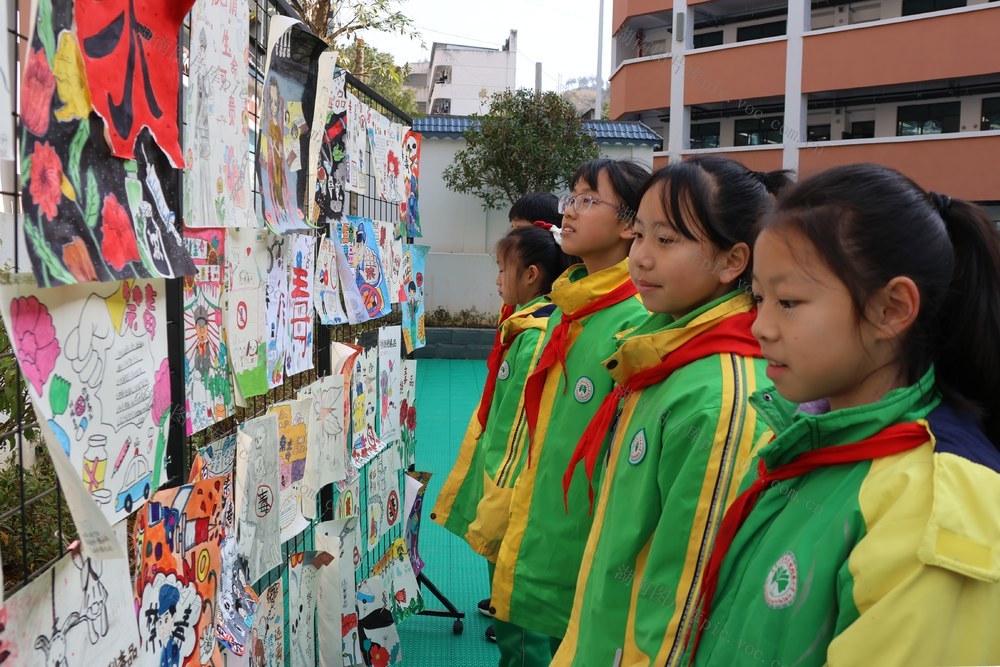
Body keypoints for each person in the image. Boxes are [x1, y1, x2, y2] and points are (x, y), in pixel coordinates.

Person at [684, 163, 1000, 666]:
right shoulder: (804, 441)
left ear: (891, 309)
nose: (760, 326)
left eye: (788, 301)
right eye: (759, 297)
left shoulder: (933, 512)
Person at [552, 157, 790, 667]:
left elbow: (686, 599)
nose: (640, 257)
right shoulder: (663, 355)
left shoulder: (718, 396)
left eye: (667, 240)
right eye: (640, 236)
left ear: (732, 262)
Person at [490, 158, 650, 663]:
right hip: (543, 512)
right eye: (572, 198)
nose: (571, 212)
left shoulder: (636, 318)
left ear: (630, 225)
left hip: (581, 529)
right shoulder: (573, 304)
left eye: (588, 200)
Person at [431, 223, 575, 655]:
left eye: (502, 269)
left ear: (531, 275)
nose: (497, 279)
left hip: (513, 501)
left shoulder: (532, 338)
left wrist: (495, 510)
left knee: (518, 616)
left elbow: (515, 443)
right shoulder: (536, 323)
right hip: (523, 498)